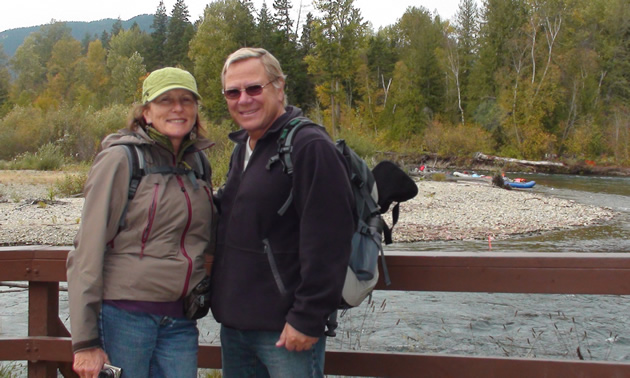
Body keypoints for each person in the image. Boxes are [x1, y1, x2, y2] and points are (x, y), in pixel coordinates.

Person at [210, 47, 356, 377]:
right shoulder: (243, 148)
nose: (243, 99)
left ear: (279, 87)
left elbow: (330, 240)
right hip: (236, 327)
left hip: (287, 333)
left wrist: (308, 317)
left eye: (254, 88)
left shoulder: (309, 146)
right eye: (233, 92)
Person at [66, 67, 217, 378]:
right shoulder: (121, 160)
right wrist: (85, 341)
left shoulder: (198, 163)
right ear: (147, 113)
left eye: (187, 100)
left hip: (181, 319)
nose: (178, 108)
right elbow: (87, 250)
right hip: (124, 317)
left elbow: (205, 238)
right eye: (166, 100)